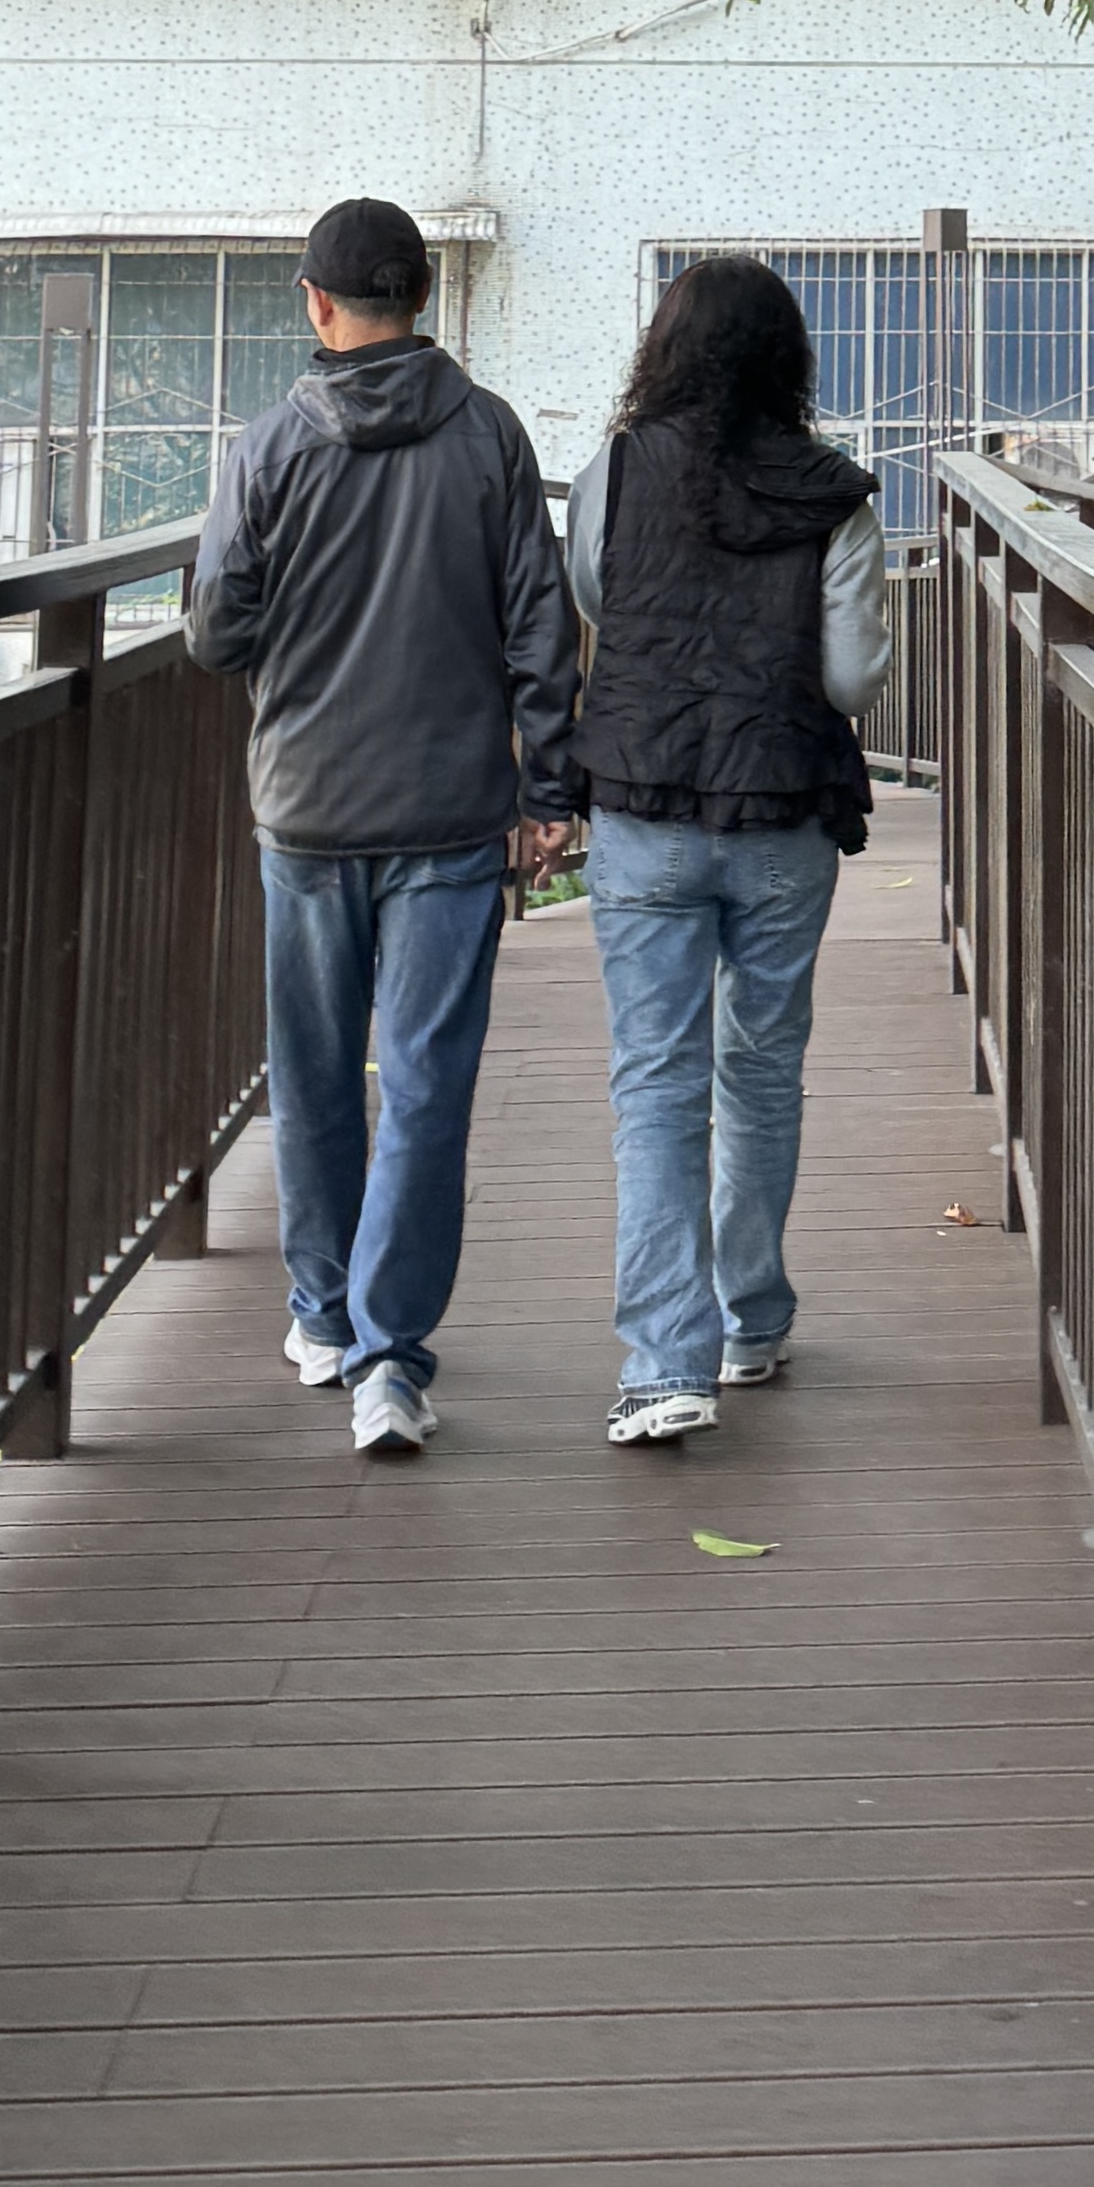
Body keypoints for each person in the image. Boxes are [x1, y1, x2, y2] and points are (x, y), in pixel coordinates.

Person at [186, 196, 579, 1457]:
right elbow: (541, 627)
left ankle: (321, 1310)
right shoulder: (491, 439)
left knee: (311, 1078)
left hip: (305, 810)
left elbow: (213, 633)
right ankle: (390, 1359)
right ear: (425, 300)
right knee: (423, 1085)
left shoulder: (266, 448)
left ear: (315, 304)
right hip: (453, 811)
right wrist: (550, 786)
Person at [568, 253, 891, 1446]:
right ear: (787, 360)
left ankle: (664, 1364)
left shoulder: (613, 471)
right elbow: (853, 675)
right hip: (783, 810)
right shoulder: (834, 493)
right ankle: (750, 1317)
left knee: (655, 1080)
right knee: (758, 1069)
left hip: (645, 806)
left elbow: (597, 595)